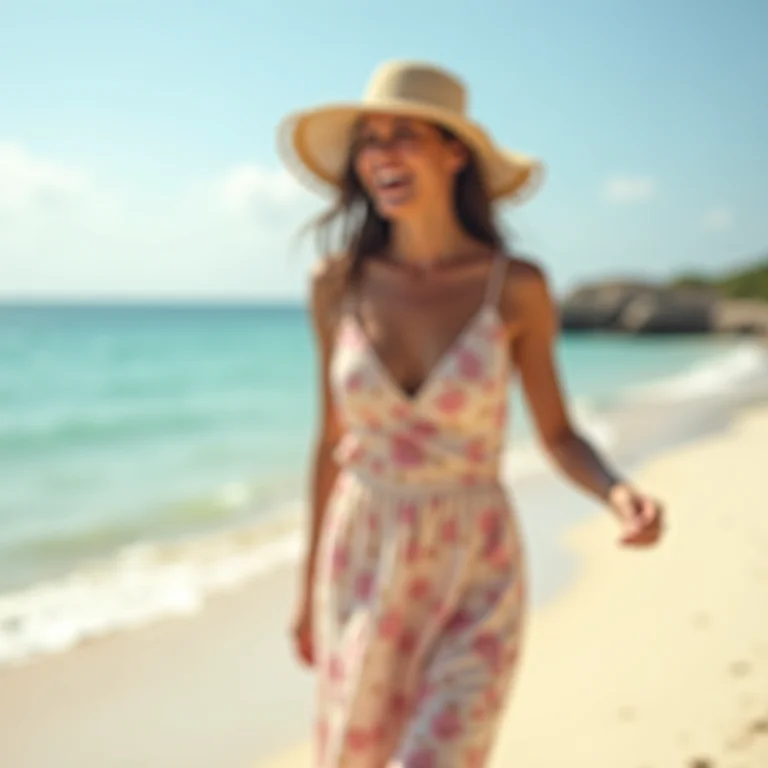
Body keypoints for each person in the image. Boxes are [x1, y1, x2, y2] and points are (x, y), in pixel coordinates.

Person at [276, 60, 664, 768]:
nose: (381, 154)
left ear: (456, 152)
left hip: (474, 567)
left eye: (404, 135)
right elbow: (329, 440)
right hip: (361, 559)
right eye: (369, 139)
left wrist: (616, 490)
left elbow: (557, 431)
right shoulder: (336, 285)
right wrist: (307, 595)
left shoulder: (514, 288)